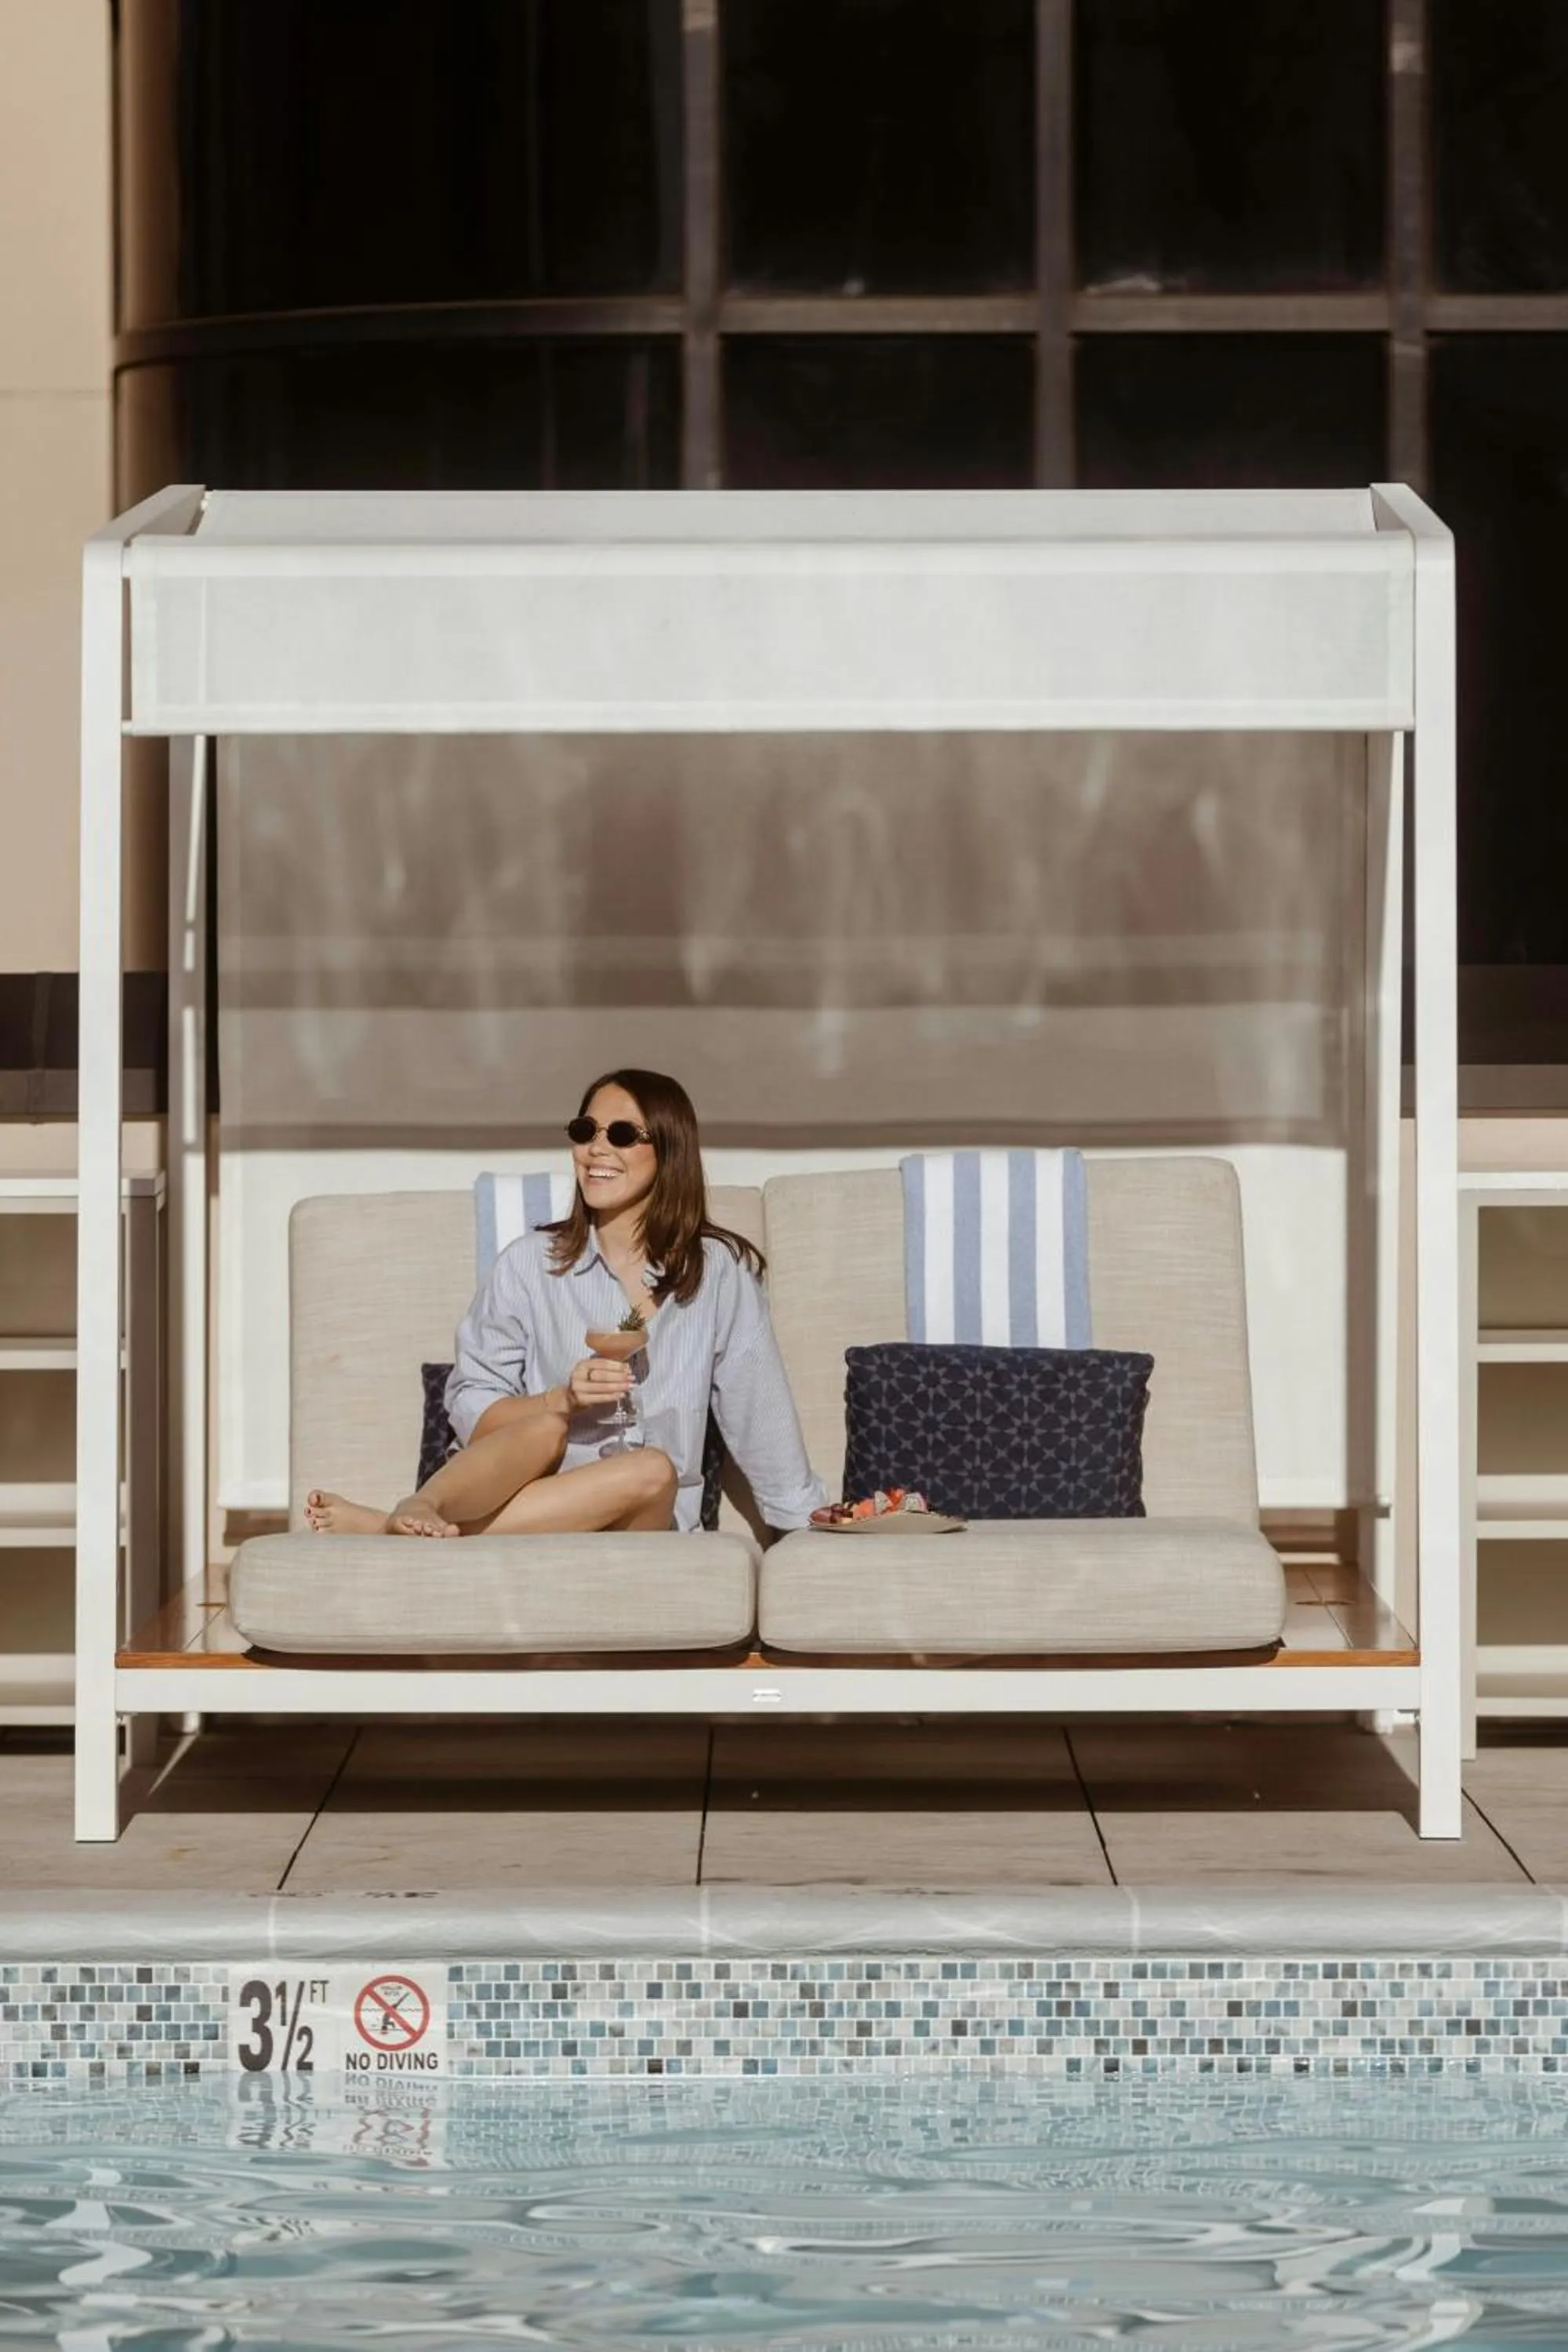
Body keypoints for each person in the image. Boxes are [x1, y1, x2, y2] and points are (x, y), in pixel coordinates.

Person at [306, 1068, 828, 1539]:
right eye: (585, 1132)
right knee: (545, 1425)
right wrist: (561, 1401)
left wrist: (806, 1527)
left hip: (642, 1516)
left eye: (622, 1134)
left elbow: (760, 1411)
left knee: (652, 1469)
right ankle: (422, 1504)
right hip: (534, 1495)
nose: (596, 1149)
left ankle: (387, 1530)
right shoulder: (528, 1264)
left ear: (669, 1150)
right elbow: (472, 1409)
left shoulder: (717, 1275)